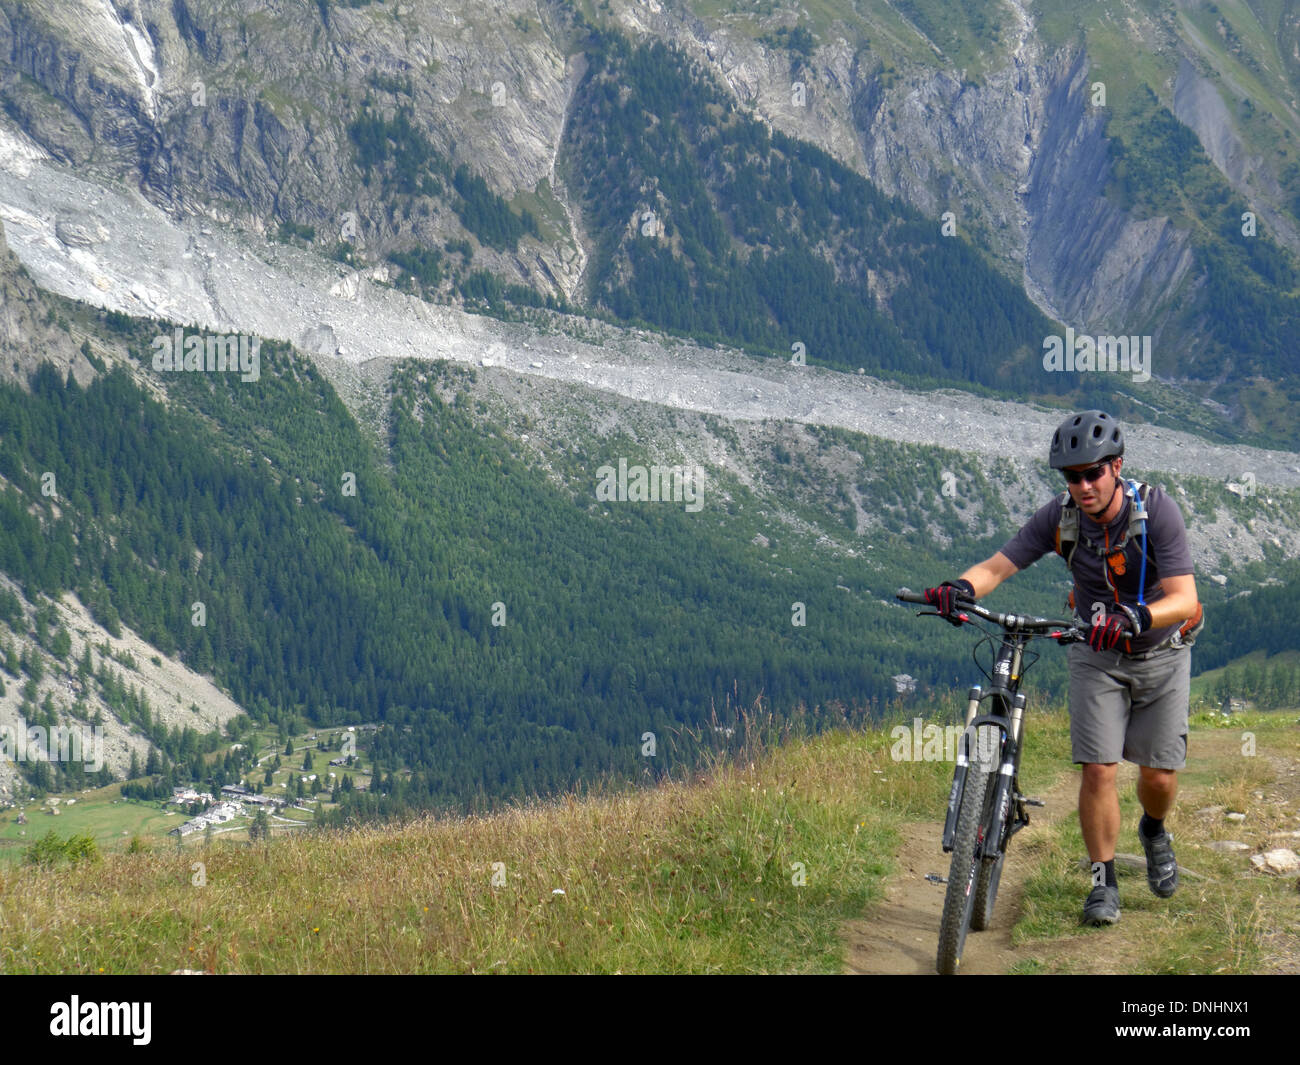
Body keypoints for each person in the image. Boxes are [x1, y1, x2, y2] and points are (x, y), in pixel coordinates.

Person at [924, 410, 1202, 926]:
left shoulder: (1157, 510)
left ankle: (1154, 830)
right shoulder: (1060, 517)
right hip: (1094, 652)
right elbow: (999, 565)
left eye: (1092, 473)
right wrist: (958, 588)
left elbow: (1185, 599)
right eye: (1071, 477)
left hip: (1160, 651)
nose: (1082, 485)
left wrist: (1135, 616)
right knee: (1098, 768)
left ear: (1116, 467)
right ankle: (1103, 882)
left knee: (1159, 776)